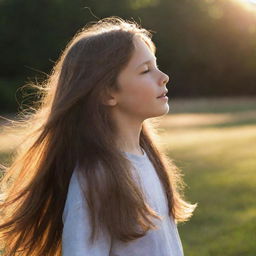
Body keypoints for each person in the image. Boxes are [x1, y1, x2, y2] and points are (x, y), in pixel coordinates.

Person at [0, 16, 197, 256]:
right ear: (107, 93)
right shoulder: (95, 179)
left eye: (156, 65)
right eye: (145, 70)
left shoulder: (149, 159)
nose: (163, 76)